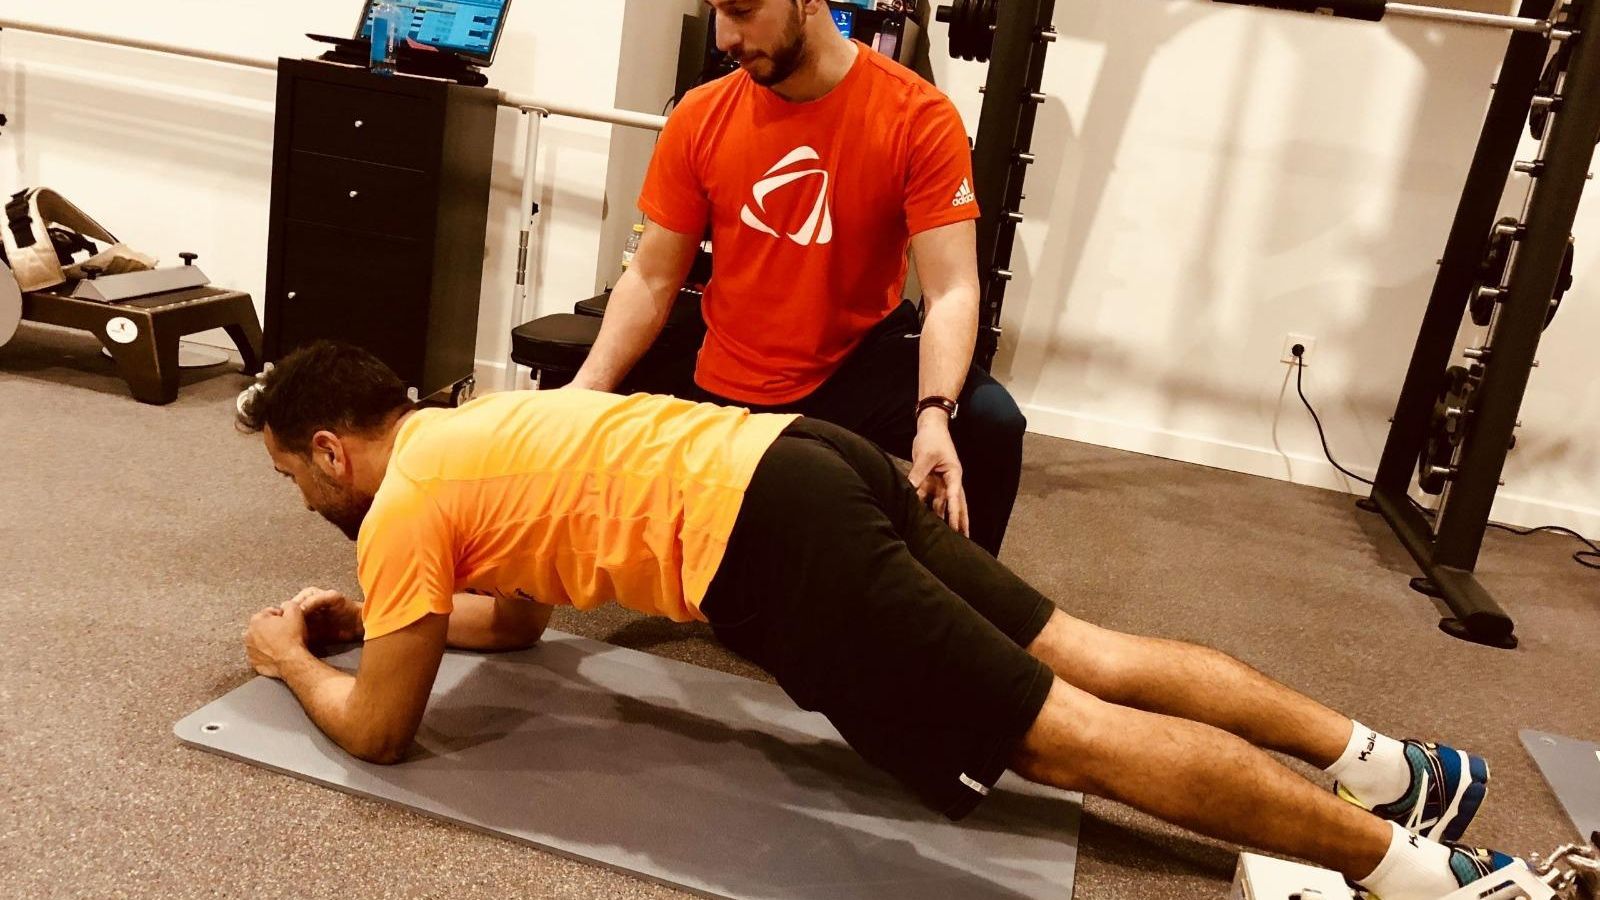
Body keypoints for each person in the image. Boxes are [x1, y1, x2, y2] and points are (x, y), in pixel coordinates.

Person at [240, 342, 1516, 900]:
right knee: (1081, 648)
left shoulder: (400, 506)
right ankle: (1403, 770)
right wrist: (385, 617)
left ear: (333, 450)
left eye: (294, 475)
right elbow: (513, 628)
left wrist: (290, 659)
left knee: (1060, 735)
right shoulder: (469, 433)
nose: (300, 497)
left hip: (767, 537)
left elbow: (382, 735)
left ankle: (1407, 875)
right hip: (804, 457)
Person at [568, 0, 1026, 556]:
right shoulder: (700, 114)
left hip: (854, 358)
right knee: (749, 604)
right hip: (736, 370)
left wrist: (934, 416)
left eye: (741, 10)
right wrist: (586, 390)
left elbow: (951, 288)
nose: (723, 37)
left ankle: (967, 605)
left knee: (992, 423)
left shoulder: (917, 115)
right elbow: (651, 276)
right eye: (716, 10)